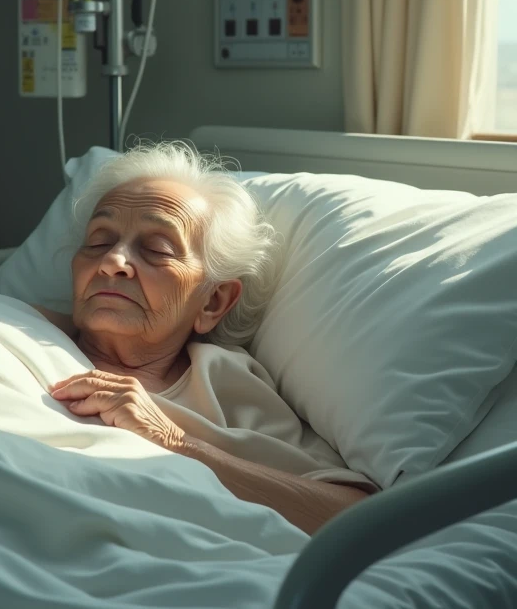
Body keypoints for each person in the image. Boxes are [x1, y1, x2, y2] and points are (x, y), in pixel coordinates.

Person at [35, 141, 375, 536]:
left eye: (157, 249)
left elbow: (360, 518)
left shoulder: (221, 381)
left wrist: (175, 441)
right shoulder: (11, 324)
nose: (113, 261)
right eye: (98, 240)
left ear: (213, 302)